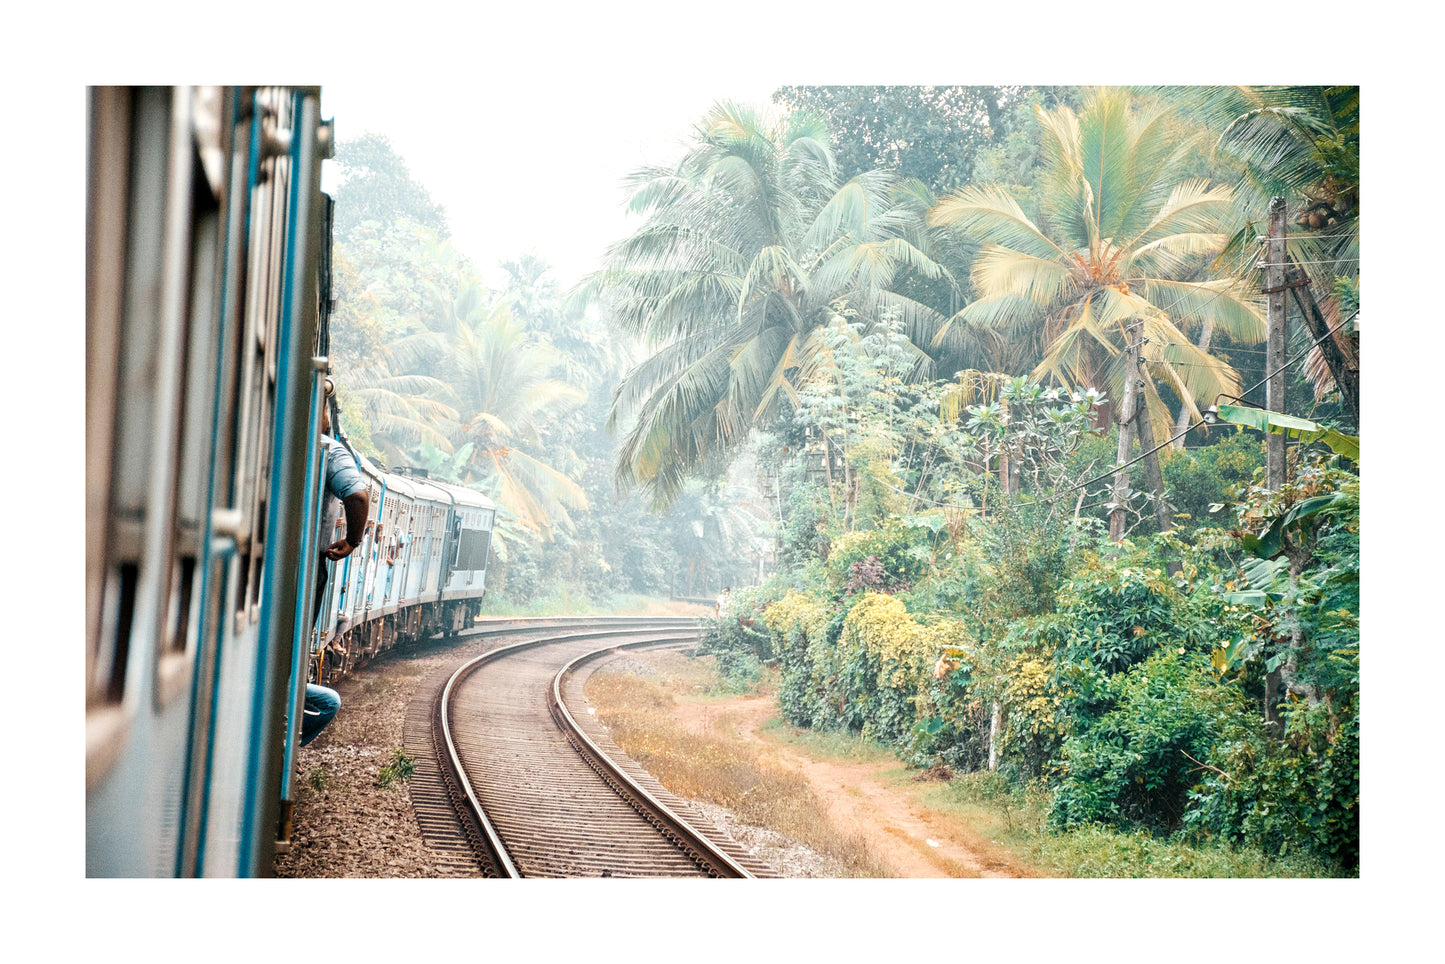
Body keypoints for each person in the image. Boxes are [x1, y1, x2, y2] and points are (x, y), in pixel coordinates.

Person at [301, 379, 370, 747]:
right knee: (328, 702)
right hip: (300, 592)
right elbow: (357, 495)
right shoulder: (329, 452)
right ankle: (284, 755)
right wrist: (353, 541)